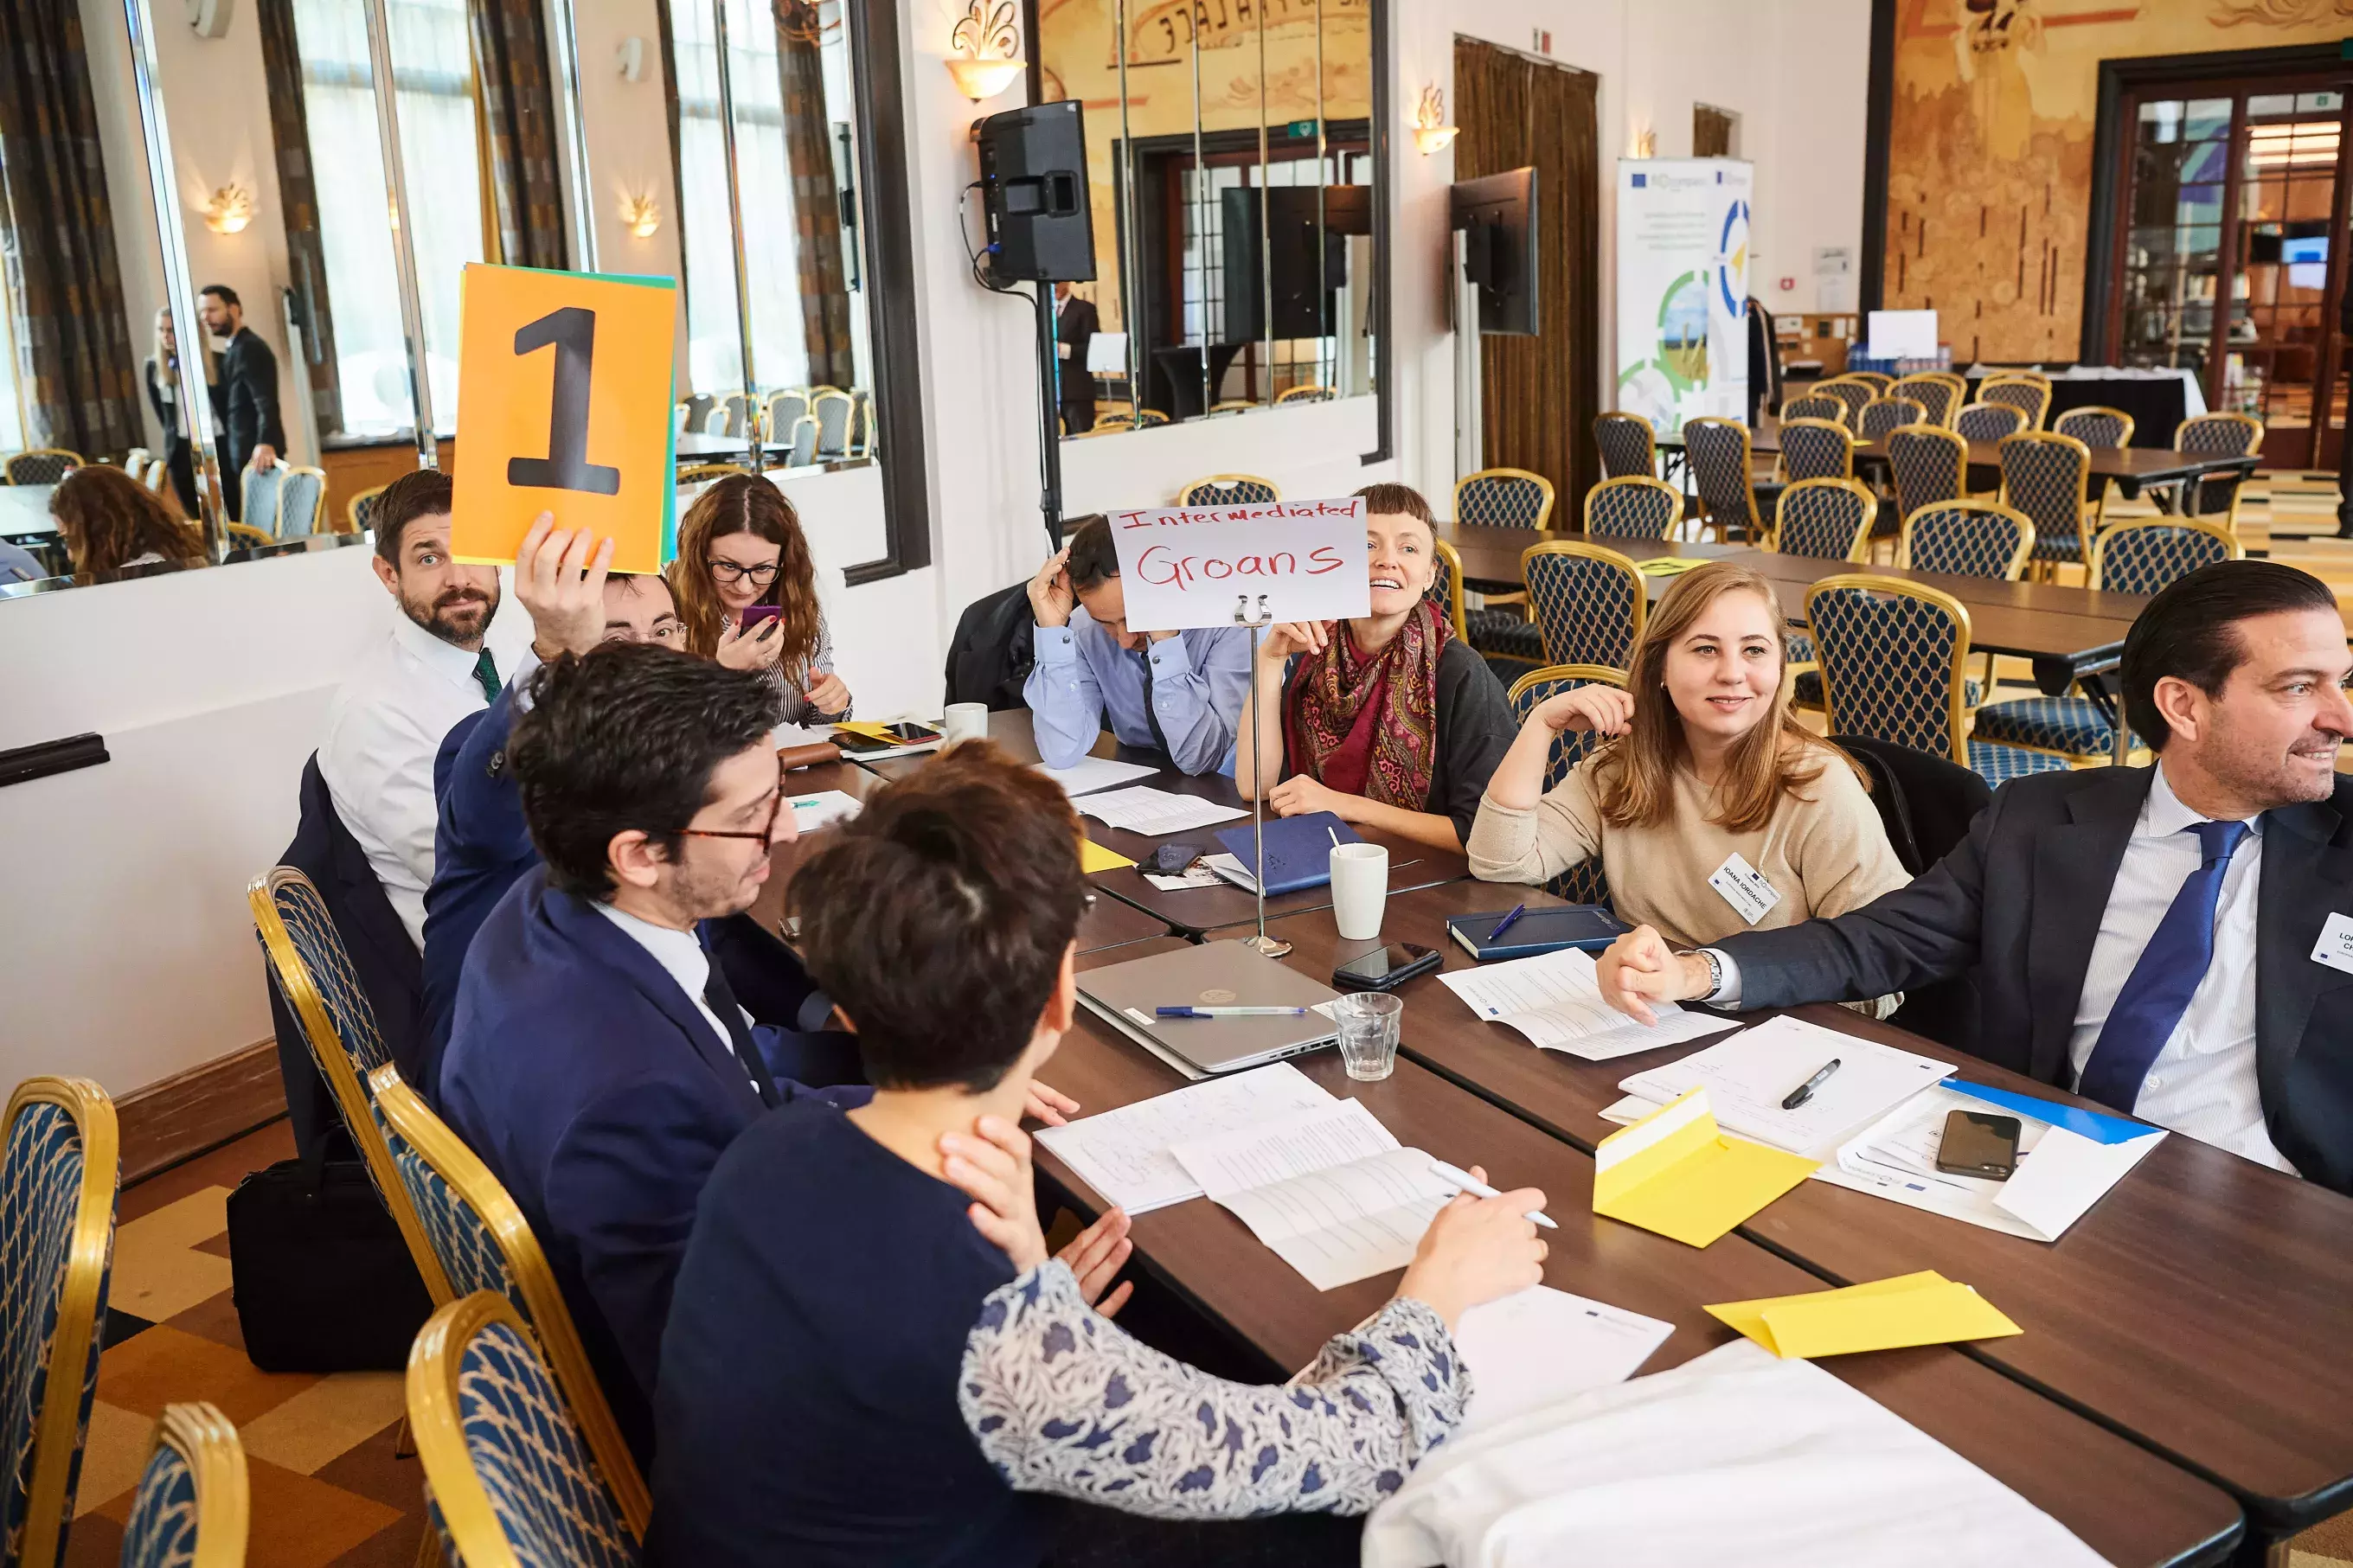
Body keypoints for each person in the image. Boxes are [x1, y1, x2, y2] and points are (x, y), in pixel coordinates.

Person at [652, 744, 1546, 1567]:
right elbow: (1351, 1450)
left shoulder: (770, 1146)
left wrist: (1044, 1306)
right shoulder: (1013, 1353)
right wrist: (1440, 1286)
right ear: (1057, 1000)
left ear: (844, 1005)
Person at [1596, 561, 2353, 1191]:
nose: (2341, 717)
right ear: (2183, 706)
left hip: (2270, 1196)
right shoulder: (2036, 818)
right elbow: (1879, 940)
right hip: (2038, 1164)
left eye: (2342, 680)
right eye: (2299, 687)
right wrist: (1695, 972)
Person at [1468, 561, 1909, 950]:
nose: (1733, 673)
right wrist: (1540, 725)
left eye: (1754, 650)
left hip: (1773, 1025)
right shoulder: (1624, 766)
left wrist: (1714, 981)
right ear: (1661, 666)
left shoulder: (1817, 788)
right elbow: (1501, 863)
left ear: (1779, 666)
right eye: (1705, 649)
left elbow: (1881, 967)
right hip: (1648, 1016)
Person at [417, 517, 691, 1093]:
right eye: (616, 639)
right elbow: (486, 813)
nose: (650, 655)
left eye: (665, 629)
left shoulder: (680, 753)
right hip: (527, 1070)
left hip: (654, 1029)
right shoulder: (482, 745)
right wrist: (558, 647)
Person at [1234, 483, 1516, 852]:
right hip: (1324, 858)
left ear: (1430, 574)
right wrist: (1271, 661)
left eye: (1409, 548)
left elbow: (1484, 837)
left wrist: (1345, 806)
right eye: (1367, 545)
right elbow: (1254, 787)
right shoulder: (1316, 652)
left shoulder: (1460, 673)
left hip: (1426, 881)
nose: (1387, 560)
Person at [318, 469, 511, 948]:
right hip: (487, 964)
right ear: (389, 574)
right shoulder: (373, 711)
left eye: (473, 555)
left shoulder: (502, 665)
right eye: (430, 558)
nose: (460, 579)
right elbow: (478, 875)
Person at [1023, 514, 1252, 775]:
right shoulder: (1083, 629)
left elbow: (1206, 760)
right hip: (1144, 787)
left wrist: (1165, 641)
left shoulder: (1231, 624)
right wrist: (1053, 634)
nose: (1124, 640)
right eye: (1105, 622)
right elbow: (1061, 751)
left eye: (1132, 619)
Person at [667, 473, 851, 726]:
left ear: (783, 565)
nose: (744, 586)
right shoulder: (667, 611)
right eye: (728, 566)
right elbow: (663, 733)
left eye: (762, 569)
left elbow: (815, 724)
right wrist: (724, 676)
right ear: (699, 557)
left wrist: (833, 706)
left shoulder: (797, 605)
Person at [197, 285, 285, 518]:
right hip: (241, 452)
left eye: (212, 310)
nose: (206, 317)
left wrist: (265, 442)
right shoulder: (234, 348)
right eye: (202, 312)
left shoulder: (251, 348)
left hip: (256, 455)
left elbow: (265, 400)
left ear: (233, 309)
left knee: (262, 525)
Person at [48, 465, 203, 576]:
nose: (70, 556)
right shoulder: (173, 550)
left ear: (99, 531)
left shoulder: (133, 580)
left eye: (69, 540)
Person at [144, 305, 211, 517]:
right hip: (180, 450)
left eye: (171, 330)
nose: (166, 336)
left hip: (212, 446)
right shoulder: (153, 366)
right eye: (161, 330)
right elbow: (163, 414)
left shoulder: (213, 361)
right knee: (195, 516)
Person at [1055, 281, 1099, 435]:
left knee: (1081, 437)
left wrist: (1063, 349)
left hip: (1076, 390)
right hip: (1050, 391)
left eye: (1057, 282)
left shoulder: (1084, 309)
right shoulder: (1042, 310)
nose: (1054, 286)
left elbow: (1093, 348)